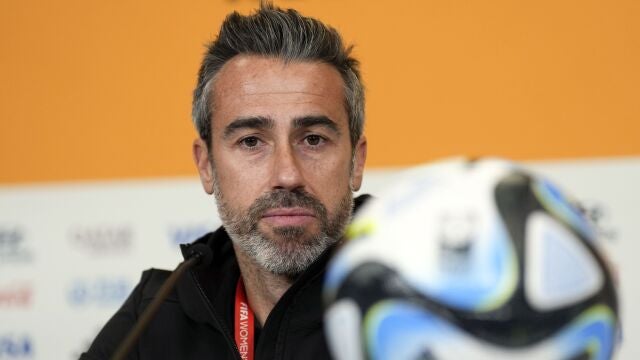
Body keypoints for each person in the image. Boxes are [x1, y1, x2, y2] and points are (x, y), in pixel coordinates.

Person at [80, 2, 368, 359]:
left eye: (313, 139)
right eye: (251, 141)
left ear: (357, 161)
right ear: (206, 166)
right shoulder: (157, 312)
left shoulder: (422, 299)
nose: (287, 175)